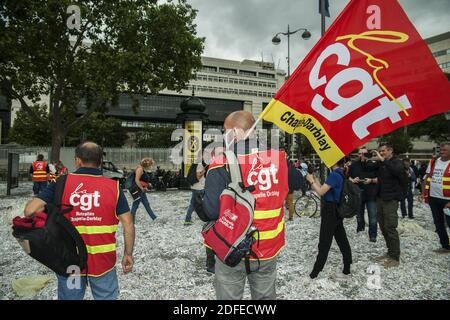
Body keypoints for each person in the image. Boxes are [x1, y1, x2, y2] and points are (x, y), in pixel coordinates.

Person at [23, 142, 135, 300]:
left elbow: (30, 211)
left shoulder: (61, 183)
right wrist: (128, 254)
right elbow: (128, 224)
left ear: (77, 160)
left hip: (71, 262)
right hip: (103, 261)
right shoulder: (113, 187)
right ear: (100, 161)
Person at [199, 110, 288, 300]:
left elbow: (212, 211)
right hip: (268, 245)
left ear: (235, 132)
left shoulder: (221, 162)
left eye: (225, 131)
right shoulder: (278, 159)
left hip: (231, 245)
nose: (224, 136)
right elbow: (284, 193)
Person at [306, 158, 352, 279]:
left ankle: (314, 273)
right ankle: (347, 267)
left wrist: (311, 181)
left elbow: (320, 192)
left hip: (330, 211)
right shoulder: (340, 173)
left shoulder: (334, 175)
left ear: (334, 161)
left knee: (324, 242)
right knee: (341, 239)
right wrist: (314, 178)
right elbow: (324, 189)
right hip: (336, 210)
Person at [372, 142, 404, 268]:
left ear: (390, 151)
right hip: (380, 198)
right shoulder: (382, 163)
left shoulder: (397, 162)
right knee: (383, 227)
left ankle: (395, 257)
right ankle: (390, 252)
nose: (381, 153)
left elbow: (397, 172)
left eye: (383, 151)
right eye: (380, 151)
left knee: (390, 227)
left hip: (391, 199)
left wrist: (383, 161)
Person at [421, 142, 450, 253]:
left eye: (445, 150)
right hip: (434, 198)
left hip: (448, 200)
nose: (441, 152)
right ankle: (445, 246)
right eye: (440, 151)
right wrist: (424, 193)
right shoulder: (434, 162)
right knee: (438, 223)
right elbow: (427, 177)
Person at [348, 147, 379, 242]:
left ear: (368, 154)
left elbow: (380, 179)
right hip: (358, 193)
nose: (362, 155)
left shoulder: (375, 165)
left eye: (364, 153)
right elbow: (347, 177)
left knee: (373, 216)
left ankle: (373, 235)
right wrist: (353, 180)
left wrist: (371, 180)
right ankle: (360, 231)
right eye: (360, 153)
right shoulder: (354, 165)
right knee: (359, 215)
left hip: (371, 194)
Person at [130, 158, 158, 222]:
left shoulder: (141, 168)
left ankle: (154, 218)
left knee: (146, 204)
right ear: (147, 164)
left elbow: (141, 179)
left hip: (140, 190)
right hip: (138, 190)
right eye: (150, 165)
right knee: (136, 204)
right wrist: (142, 188)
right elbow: (136, 180)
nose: (150, 167)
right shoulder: (140, 169)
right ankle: (131, 220)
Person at [184, 158, 206, 226]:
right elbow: (198, 176)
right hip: (199, 188)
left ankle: (188, 219)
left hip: (196, 187)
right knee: (196, 204)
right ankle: (188, 219)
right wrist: (204, 171)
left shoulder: (196, 164)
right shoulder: (199, 165)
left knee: (194, 204)